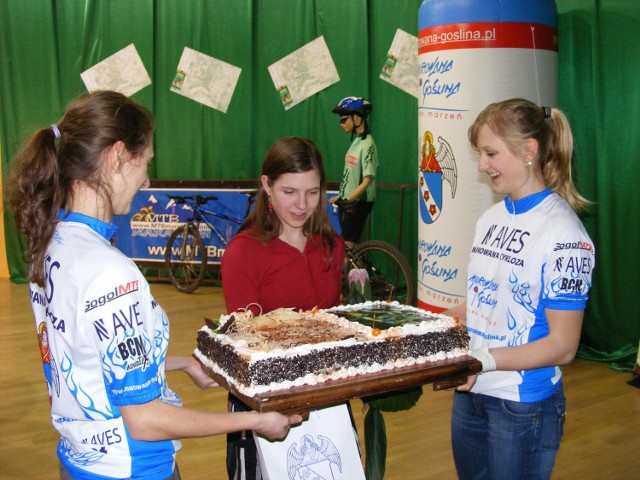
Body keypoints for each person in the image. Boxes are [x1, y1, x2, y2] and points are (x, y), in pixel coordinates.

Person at [7, 90, 301, 480]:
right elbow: (146, 421)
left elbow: (85, 360)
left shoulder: (50, 244)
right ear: (116, 157)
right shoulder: (112, 273)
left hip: (77, 463)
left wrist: (179, 364)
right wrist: (254, 422)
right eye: (144, 162)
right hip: (133, 469)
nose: (147, 178)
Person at [443, 98, 595, 479]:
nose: (481, 165)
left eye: (491, 153)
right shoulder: (490, 218)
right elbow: (485, 303)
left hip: (522, 406)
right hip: (472, 394)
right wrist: (429, 325)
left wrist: (483, 360)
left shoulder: (564, 233)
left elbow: (563, 345)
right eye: (481, 154)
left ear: (529, 150)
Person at [221, 136, 347, 480]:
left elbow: (334, 324)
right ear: (266, 185)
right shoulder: (243, 252)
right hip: (265, 406)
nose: (301, 204)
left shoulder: (332, 247)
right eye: (289, 191)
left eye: (312, 192)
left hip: (328, 395)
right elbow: (245, 343)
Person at [329, 96, 378, 246]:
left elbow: (367, 180)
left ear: (357, 118)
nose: (341, 124)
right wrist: (342, 196)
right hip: (349, 200)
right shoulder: (357, 142)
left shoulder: (368, 145)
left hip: (358, 201)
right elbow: (352, 174)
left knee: (347, 247)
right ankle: (358, 269)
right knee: (350, 250)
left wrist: (348, 198)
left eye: (344, 119)